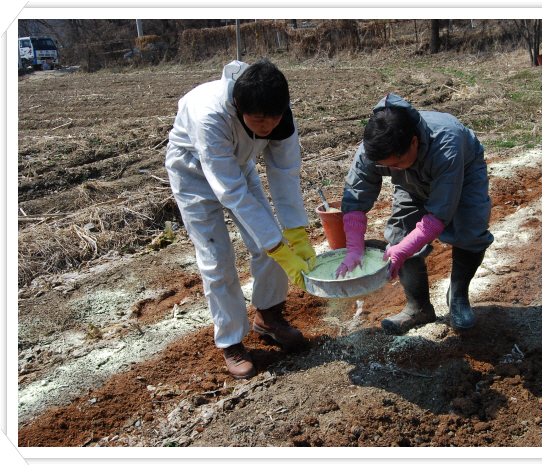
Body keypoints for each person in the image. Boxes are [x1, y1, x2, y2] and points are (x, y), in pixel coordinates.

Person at [165, 59, 316, 379]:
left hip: (238, 165)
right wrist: (278, 247)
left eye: (274, 118)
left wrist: (295, 233)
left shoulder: (277, 111)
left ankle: (268, 316)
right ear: (238, 106)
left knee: (269, 240)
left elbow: (285, 171)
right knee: (217, 258)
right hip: (193, 171)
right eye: (260, 120)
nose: (268, 126)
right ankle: (231, 340)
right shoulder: (210, 116)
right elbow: (231, 191)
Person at [336, 93, 493, 334]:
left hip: (463, 170)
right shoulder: (373, 148)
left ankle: (458, 296)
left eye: (395, 164)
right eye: (386, 166)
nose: (391, 169)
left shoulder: (446, 145)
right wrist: (355, 248)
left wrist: (405, 249)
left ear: (414, 142)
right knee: (400, 234)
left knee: (471, 230)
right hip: (411, 178)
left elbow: (440, 213)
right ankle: (419, 308)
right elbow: (356, 195)